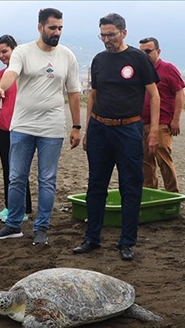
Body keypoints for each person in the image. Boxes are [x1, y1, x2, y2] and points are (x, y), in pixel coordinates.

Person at [0, 8, 81, 246]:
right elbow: (11, 73)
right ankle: (13, 224)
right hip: (22, 125)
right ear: (40, 27)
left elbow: (73, 93)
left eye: (60, 28)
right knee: (17, 177)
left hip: (52, 127)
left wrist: (76, 126)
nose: (57, 32)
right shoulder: (23, 51)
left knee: (47, 179)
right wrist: (1, 89)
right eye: (52, 27)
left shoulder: (67, 56)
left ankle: (42, 228)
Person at [71, 13, 160, 261]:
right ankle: (92, 237)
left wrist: (153, 131)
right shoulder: (99, 60)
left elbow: (154, 95)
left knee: (130, 186)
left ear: (124, 33)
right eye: (103, 35)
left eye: (111, 34)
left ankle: (127, 241)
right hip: (100, 128)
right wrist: (88, 130)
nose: (107, 39)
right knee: (96, 184)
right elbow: (93, 95)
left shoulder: (138, 59)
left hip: (129, 129)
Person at [0, 34, 32, 223]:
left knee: (20, 170)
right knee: (7, 169)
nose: (2, 56)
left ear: (14, 49)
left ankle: (23, 208)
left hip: (21, 127)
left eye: (5, 51)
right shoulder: (1, 75)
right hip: (3, 127)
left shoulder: (26, 71)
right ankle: (10, 205)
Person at [139, 37, 185, 193]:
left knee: (163, 159)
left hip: (162, 122)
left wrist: (176, 119)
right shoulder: (140, 70)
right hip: (141, 122)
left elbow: (179, 93)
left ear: (158, 51)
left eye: (148, 51)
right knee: (145, 161)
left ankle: (172, 192)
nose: (145, 55)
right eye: (142, 52)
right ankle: (149, 192)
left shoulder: (168, 69)